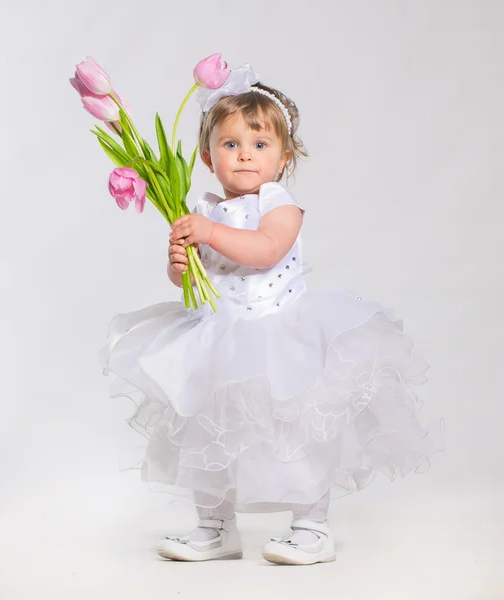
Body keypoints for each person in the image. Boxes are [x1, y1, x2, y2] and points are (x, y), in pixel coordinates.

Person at [98, 64, 444, 565]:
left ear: (284, 158)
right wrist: (179, 263)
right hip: (218, 338)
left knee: (296, 430)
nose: (244, 155)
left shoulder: (279, 204)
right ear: (206, 154)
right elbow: (194, 282)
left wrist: (207, 234)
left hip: (280, 335)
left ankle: (311, 525)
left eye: (260, 145)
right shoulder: (204, 207)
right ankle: (215, 527)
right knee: (209, 433)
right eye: (230, 144)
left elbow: (264, 250)